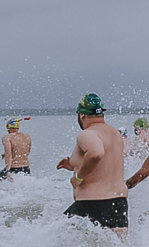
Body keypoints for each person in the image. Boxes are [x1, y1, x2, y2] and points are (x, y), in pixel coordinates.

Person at [55, 93, 129, 235]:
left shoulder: (87, 134)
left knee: (55, 239)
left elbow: (95, 154)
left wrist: (78, 178)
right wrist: (72, 164)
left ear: (82, 115)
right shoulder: (115, 133)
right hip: (118, 202)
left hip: (92, 202)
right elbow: (104, 163)